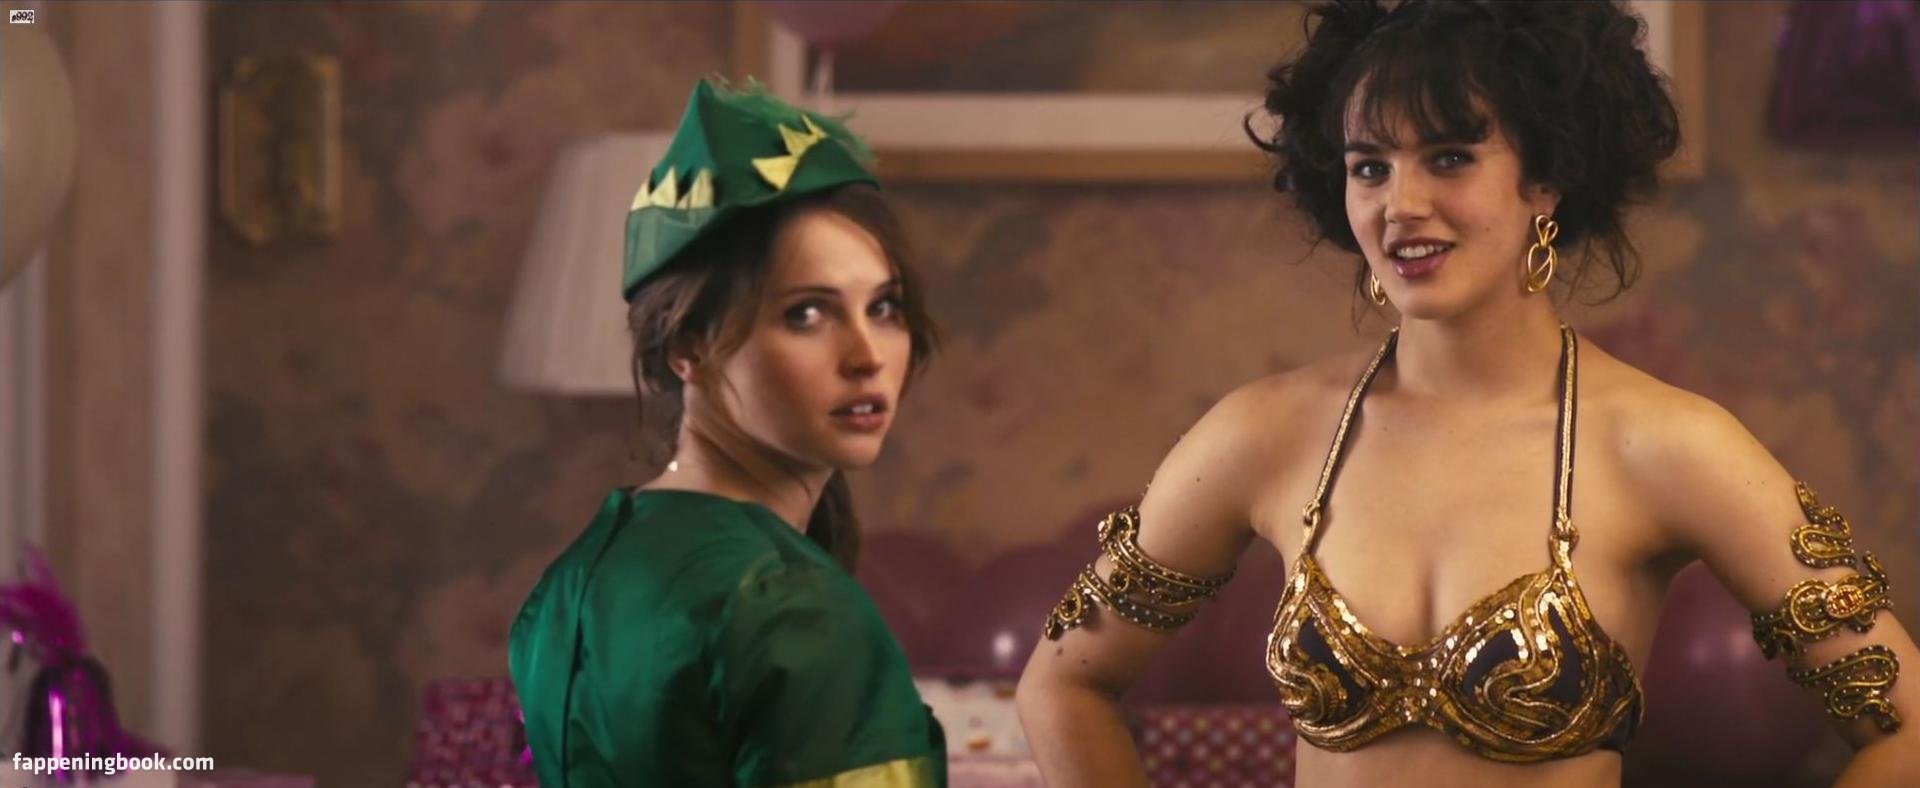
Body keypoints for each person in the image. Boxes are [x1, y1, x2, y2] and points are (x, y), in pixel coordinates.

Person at [1015, 2, 1920, 786]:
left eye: (1448, 157)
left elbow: (1907, 732)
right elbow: (1063, 684)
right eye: (1369, 166)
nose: (1399, 204)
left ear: (1547, 178)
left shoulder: (1667, 445)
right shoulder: (1264, 433)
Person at [509, 79, 946, 787]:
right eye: (808, 314)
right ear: (688, 344)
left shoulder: (575, 577)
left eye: (884, 307)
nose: (867, 355)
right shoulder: (792, 607)